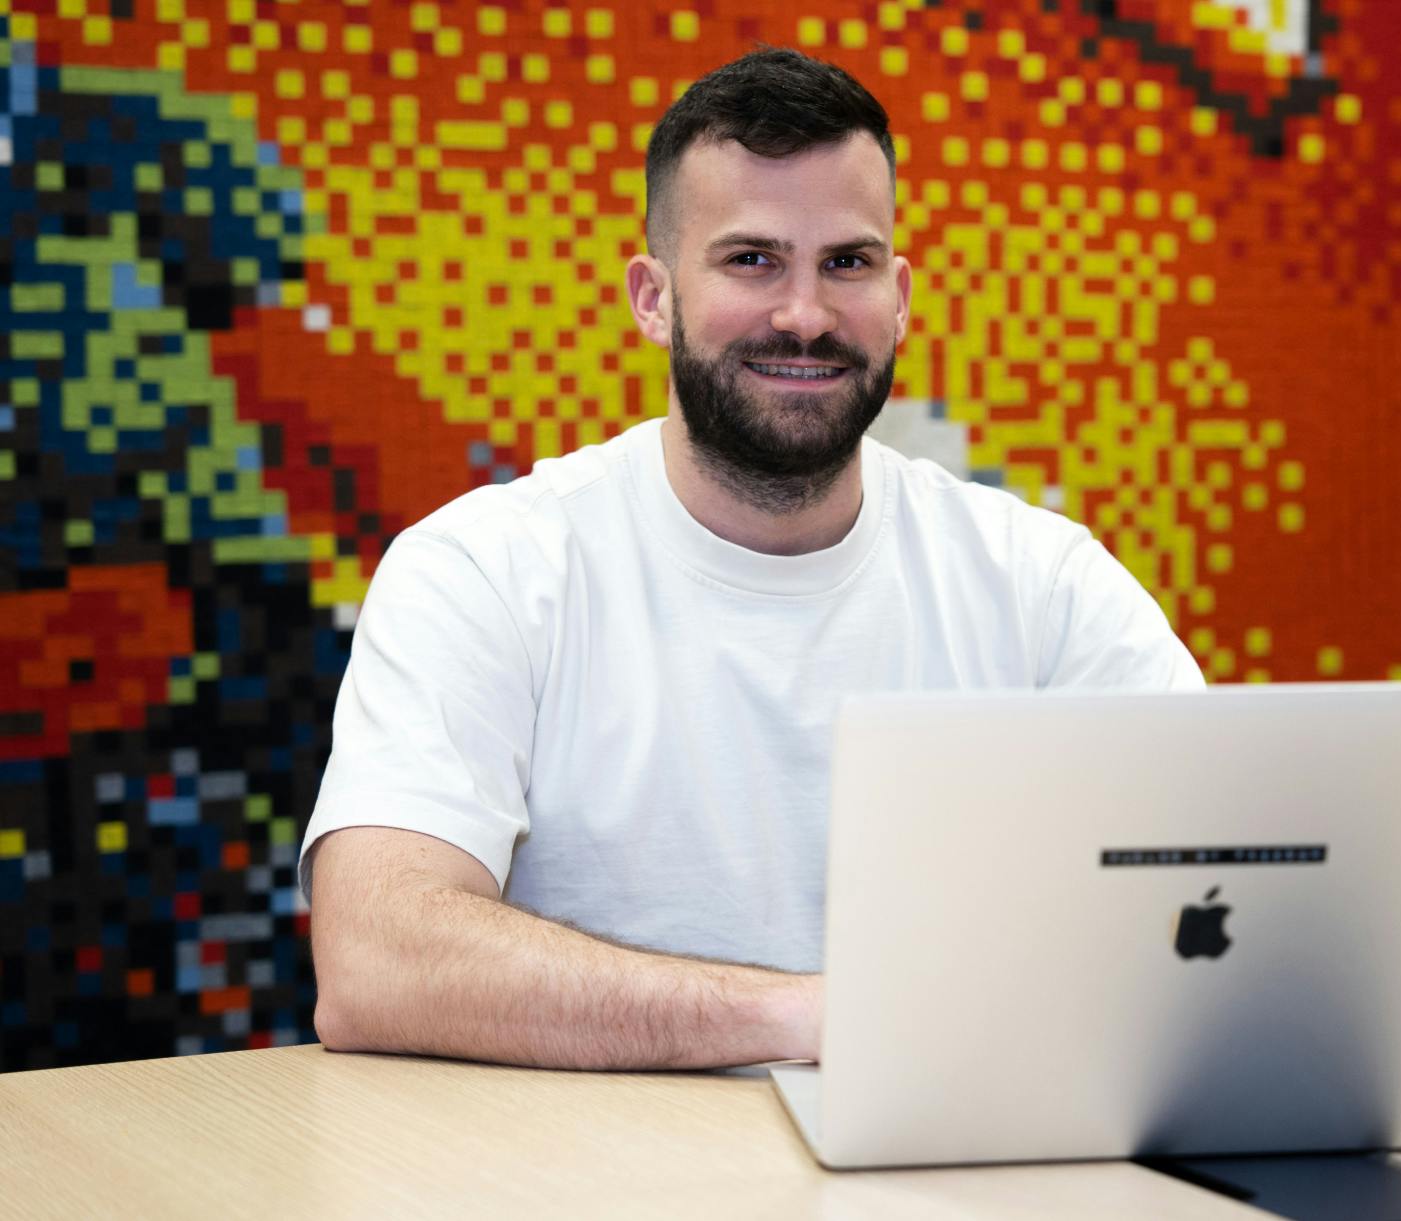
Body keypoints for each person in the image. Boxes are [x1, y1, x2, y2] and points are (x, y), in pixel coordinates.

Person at [301, 48, 1201, 1072]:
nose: (805, 315)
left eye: (847, 264)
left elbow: (1228, 892)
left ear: (900, 297)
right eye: (751, 260)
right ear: (652, 296)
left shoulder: (1043, 587)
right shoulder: (484, 572)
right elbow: (376, 960)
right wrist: (815, 1021)